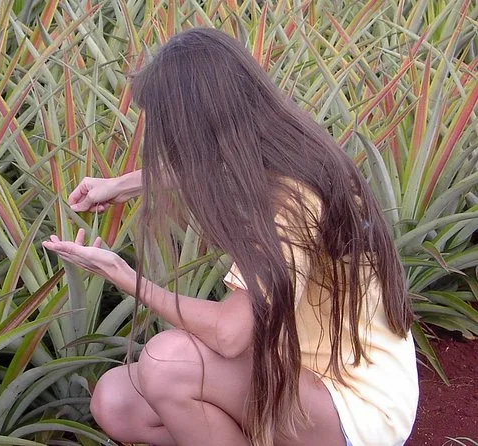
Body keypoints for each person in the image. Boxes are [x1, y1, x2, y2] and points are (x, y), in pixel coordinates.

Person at [42, 28, 418, 446]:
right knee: (116, 401)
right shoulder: (287, 148)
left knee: (168, 363)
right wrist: (123, 185)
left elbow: (230, 334)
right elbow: (215, 163)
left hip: (356, 406)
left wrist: (123, 274)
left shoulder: (294, 201)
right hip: (297, 373)